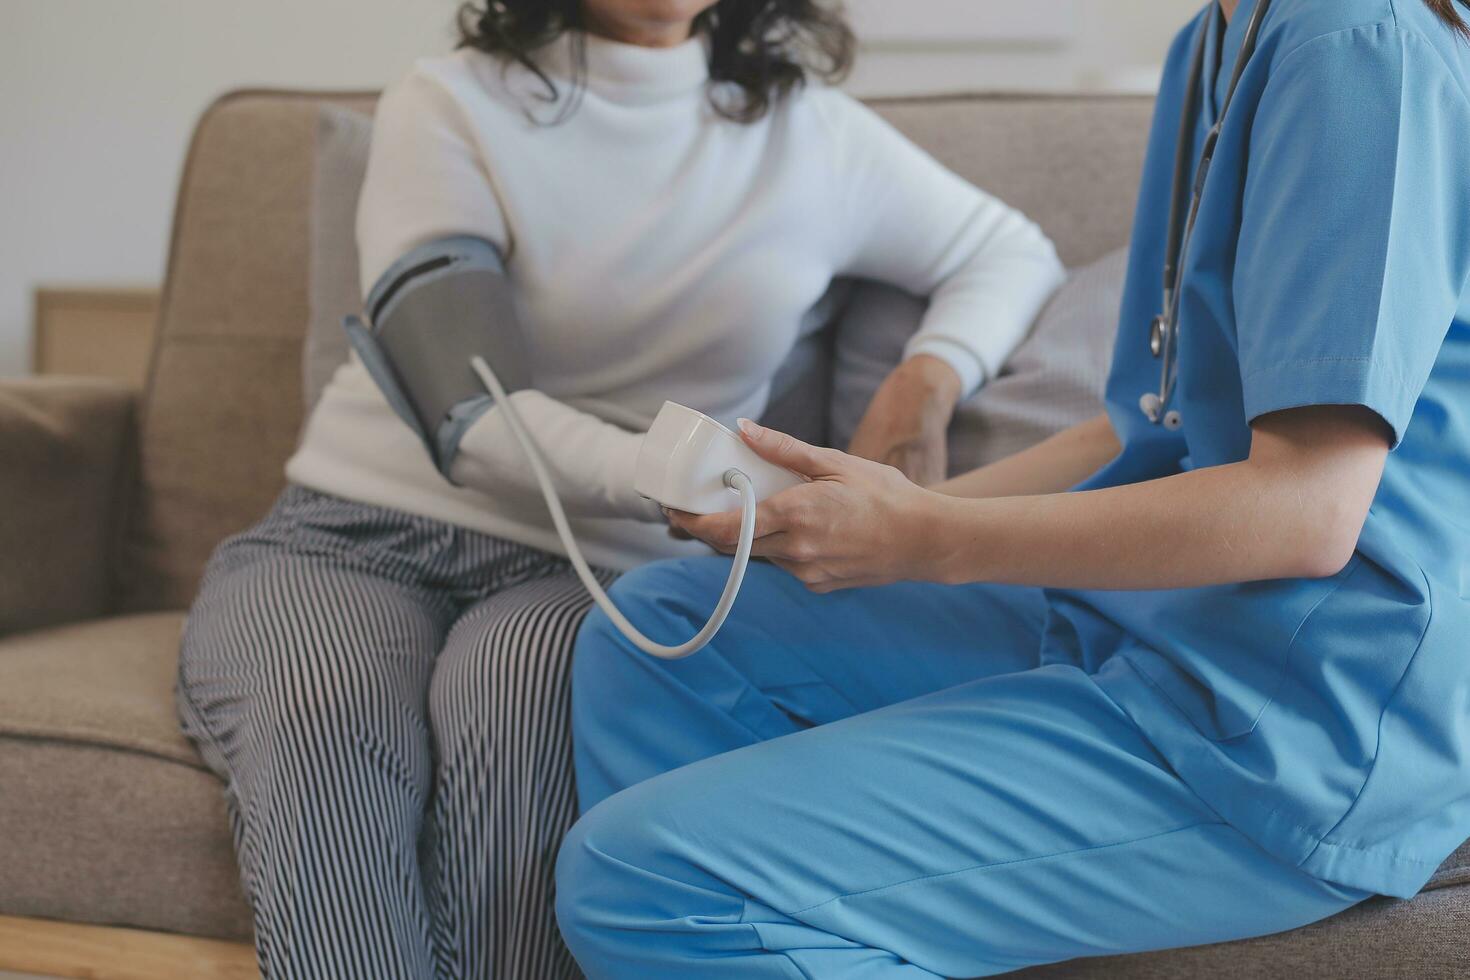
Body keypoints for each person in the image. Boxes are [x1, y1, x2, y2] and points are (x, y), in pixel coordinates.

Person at [557, 0, 1470, 975]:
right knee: (657, 637)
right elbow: (1151, 425)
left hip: (1300, 717)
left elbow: (1308, 509)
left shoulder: (1357, 48)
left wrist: (926, 539)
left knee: (641, 879)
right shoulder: (1217, 39)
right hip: (1168, 618)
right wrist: (891, 508)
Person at [174, 0, 1064, 977]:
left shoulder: (812, 136)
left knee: (509, 703)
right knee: (317, 711)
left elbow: (1008, 248)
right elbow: (471, 419)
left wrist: (923, 381)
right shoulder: (452, 105)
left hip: (590, 566)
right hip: (355, 530)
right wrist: (687, 476)